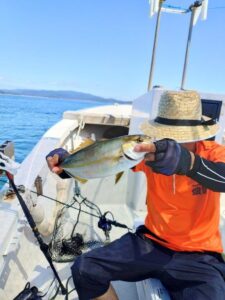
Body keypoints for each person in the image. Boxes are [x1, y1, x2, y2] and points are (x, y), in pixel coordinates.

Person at [46, 90, 225, 300]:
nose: (174, 140)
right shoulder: (148, 154)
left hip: (199, 256)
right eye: (168, 133)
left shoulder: (213, 153)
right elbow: (105, 163)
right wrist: (66, 165)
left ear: (197, 132)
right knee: (85, 269)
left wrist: (187, 163)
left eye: (181, 136)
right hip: (151, 243)